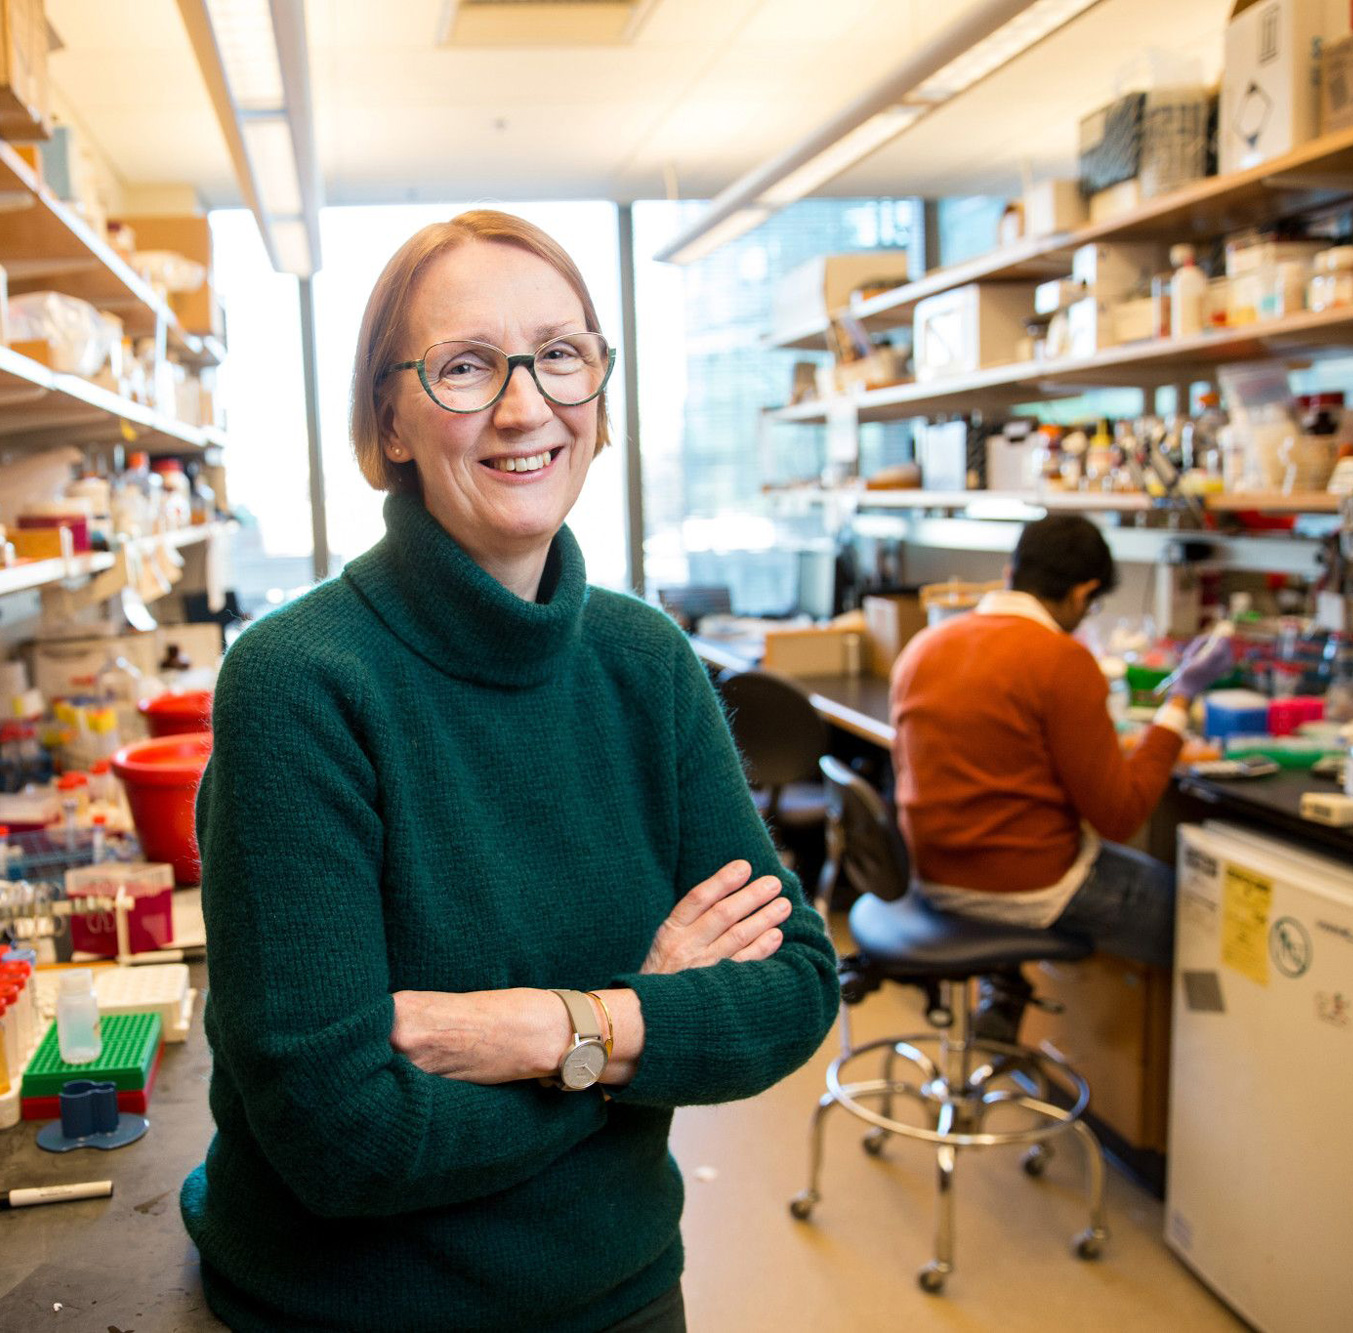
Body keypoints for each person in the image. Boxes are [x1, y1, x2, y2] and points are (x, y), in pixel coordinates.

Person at [179, 210, 842, 1332]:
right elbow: (344, 1137)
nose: (525, 405)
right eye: (467, 367)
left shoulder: (644, 661)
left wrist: (553, 1032)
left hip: (622, 1290)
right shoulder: (299, 683)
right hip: (354, 1311)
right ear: (388, 416)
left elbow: (793, 988)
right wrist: (643, 1027)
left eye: (560, 354)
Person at [888, 515, 1231, 1036]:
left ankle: (1005, 998)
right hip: (1029, 887)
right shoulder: (1061, 660)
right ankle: (1198, 1091)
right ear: (1083, 592)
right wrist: (1180, 698)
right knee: (1211, 920)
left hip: (936, 877)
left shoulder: (924, 647)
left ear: (1011, 572)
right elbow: (1120, 815)